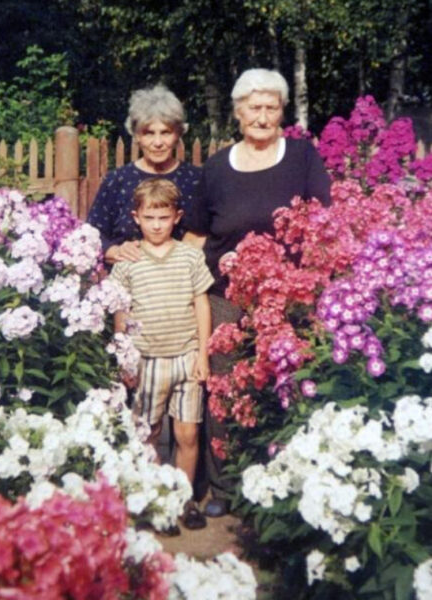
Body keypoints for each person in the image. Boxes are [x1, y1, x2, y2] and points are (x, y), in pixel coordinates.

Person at [184, 68, 331, 518]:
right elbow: (196, 236)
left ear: (282, 112)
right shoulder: (216, 168)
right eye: (254, 107)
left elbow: (322, 224)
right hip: (226, 298)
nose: (262, 116)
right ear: (238, 112)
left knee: (285, 387)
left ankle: (283, 487)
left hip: (288, 300)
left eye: (271, 107)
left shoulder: (302, 157)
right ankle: (225, 488)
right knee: (225, 389)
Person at [110, 178, 214, 532]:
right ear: (136, 217)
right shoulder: (128, 261)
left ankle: (183, 499)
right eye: (149, 218)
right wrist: (125, 358)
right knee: (149, 433)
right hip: (147, 360)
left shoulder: (190, 257)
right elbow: (120, 313)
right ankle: (157, 501)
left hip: (186, 357)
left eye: (164, 217)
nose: (156, 225)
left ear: (177, 217)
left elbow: (201, 304)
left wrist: (203, 354)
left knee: (187, 435)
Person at [87, 84, 201, 265]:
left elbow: (213, 232)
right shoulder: (117, 180)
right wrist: (116, 251)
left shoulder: (196, 180)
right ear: (136, 136)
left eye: (165, 132)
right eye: (149, 133)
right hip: (127, 275)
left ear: (178, 134)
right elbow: (93, 233)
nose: (158, 142)